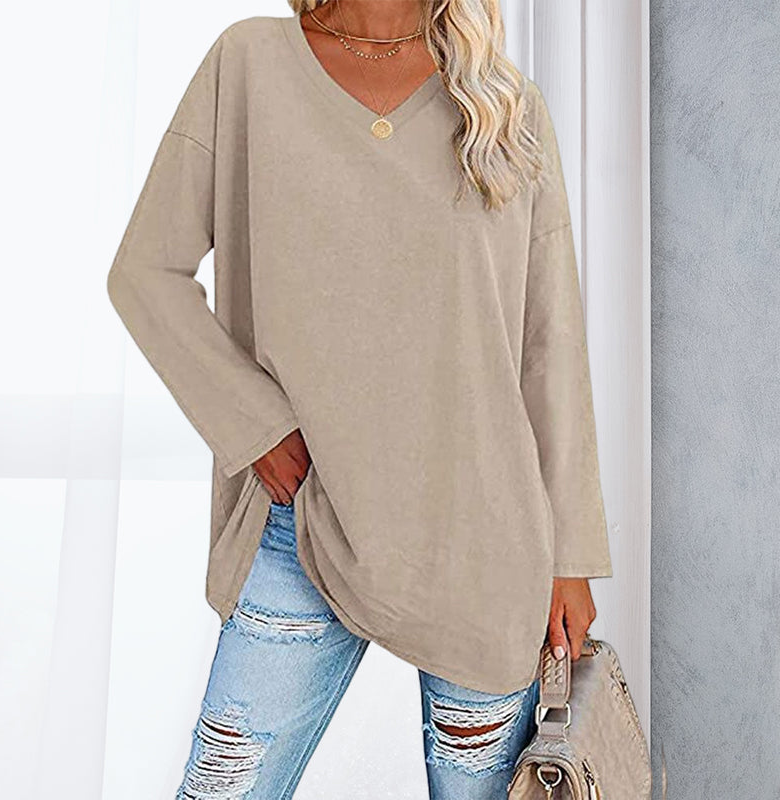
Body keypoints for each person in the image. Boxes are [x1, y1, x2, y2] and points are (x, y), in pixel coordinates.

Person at [106, 1, 614, 797]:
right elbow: (145, 273)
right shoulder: (249, 64)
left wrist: (571, 559)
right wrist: (255, 425)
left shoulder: (504, 104)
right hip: (304, 523)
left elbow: (549, 347)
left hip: (485, 543)